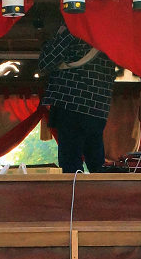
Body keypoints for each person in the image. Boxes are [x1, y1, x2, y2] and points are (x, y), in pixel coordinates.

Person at [39, 23, 115, 173]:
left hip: (71, 103)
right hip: (98, 107)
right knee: (97, 165)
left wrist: (51, 40)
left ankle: (75, 190)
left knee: (71, 165)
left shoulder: (75, 26)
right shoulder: (109, 31)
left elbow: (45, 62)